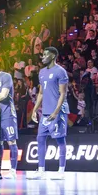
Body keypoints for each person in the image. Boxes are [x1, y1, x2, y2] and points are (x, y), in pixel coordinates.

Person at [30, 47, 70, 180]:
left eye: (45, 55)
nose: (42, 57)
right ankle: (41, 170)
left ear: (53, 56)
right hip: (45, 113)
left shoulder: (60, 71)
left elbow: (63, 93)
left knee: (60, 140)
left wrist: (56, 111)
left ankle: (61, 171)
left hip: (58, 112)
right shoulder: (41, 72)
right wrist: (35, 110)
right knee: (40, 139)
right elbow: (41, 93)